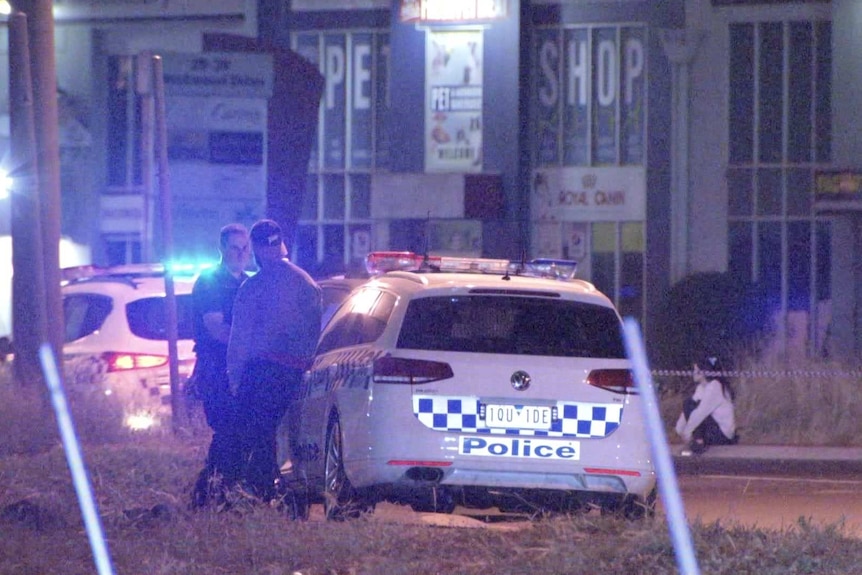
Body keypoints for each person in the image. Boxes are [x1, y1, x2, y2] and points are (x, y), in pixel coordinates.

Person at [227, 219, 322, 500]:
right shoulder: (306, 283)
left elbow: (239, 340)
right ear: (280, 245)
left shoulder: (252, 288)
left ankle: (262, 493)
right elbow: (315, 333)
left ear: (255, 249)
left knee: (257, 436)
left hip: (261, 374)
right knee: (292, 438)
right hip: (299, 373)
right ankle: (289, 492)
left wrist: (235, 378)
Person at [189, 223, 251, 508]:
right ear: (222, 249)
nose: (241, 253)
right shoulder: (210, 282)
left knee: (237, 433)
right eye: (235, 248)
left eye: (245, 247)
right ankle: (208, 494)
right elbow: (215, 327)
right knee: (228, 431)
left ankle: (217, 493)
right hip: (216, 370)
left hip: (241, 372)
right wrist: (248, 344)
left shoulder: (249, 282)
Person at [675, 355, 738, 455]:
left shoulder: (715, 386)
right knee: (689, 403)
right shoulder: (701, 388)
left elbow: (701, 412)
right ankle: (697, 441)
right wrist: (680, 429)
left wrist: (687, 433)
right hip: (713, 430)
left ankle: (699, 443)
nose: (693, 373)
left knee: (692, 406)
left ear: (703, 372)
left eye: (696, 370)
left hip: (723, 435)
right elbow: (689, 410)